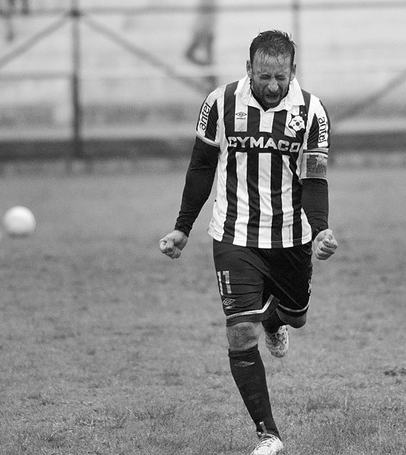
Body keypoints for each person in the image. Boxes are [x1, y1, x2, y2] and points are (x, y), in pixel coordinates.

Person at [160, 30, 338, 455]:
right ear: (248, 70)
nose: (273, 86)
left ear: (292, 72)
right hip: (234, 233)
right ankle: (269, 434)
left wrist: (320, 230)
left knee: (295, 316)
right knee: (241, 331)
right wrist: (183, 227)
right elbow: (201, 167)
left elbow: (314, 179)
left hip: (290, 237)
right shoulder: (219, 103)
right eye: (264, 77)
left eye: (280, 77)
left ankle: (275, 320)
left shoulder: (312, 111)